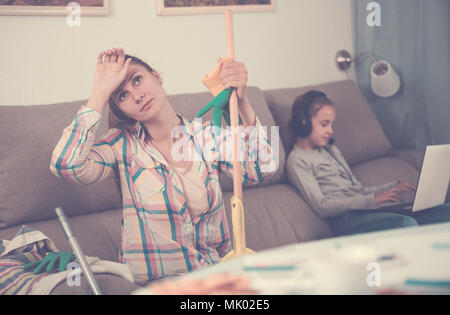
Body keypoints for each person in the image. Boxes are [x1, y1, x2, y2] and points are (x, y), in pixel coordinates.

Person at [50, 48, 277, 285]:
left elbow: (263, 167)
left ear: (156, 76)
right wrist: (99, 93)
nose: (136, 95)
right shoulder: (121, 145)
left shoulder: (206, 135)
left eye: (137, 80)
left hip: (213, 276)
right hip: (158, 285)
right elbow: (66, 164)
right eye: (122, 96)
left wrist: (242, 101)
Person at [286, 90, 450, 237]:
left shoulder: (330, 150)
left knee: (444, 211)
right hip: (345, 220)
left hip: (364, 210)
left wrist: (391, 188)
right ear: (304, 122)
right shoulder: (297, 161)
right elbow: (322, 206)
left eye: (331, 124)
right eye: (324, 124)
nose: (330, 130)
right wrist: (374, 199)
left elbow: (359, 190)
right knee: (405, 224)